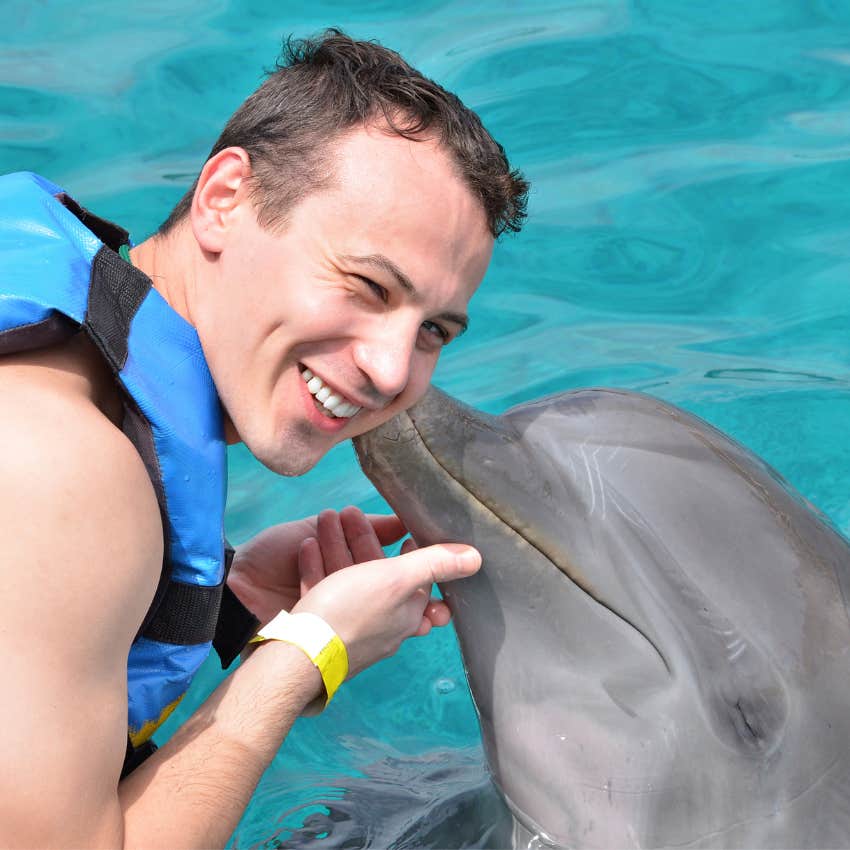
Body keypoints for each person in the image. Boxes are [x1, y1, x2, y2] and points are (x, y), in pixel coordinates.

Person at [0, 30, 527, 849]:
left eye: (433, 331)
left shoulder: (66, 382)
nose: (392, 370)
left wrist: (224, 606)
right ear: (225, 199)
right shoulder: (62, 465)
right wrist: (309, 651)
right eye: (366, 284)